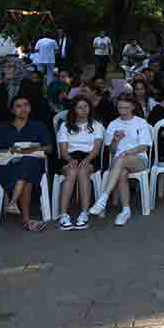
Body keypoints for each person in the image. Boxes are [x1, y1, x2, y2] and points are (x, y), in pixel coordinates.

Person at [0, 95, 54, 232]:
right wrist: (10, 149)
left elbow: (49, 148)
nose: (23, 109)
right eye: (18, 106)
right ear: (12, 110)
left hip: (33, 163)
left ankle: (15, 204)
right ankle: (25, 218)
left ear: (30, 108)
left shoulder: (38, 126)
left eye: (26, 105)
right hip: (9, 165)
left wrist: (34, 148)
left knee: (28, 163)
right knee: (26, 172)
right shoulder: (3, 128)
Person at [91, 94, 153, 225]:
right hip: (119, 161)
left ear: (133, 107)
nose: (123, 111)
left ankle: (104, 197)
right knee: (122, 172)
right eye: (120, 108)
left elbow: (144, 147)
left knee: (121, 159)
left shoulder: (140, 122)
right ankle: (125, 210)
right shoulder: (113, 124)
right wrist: (115, 140)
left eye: (126, 108)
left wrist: (128, 152)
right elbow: (112, 150)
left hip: (138, 159)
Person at [56, 96, 104, 230]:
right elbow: (63, 150)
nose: (83, 110)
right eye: (79, 107)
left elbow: (96, 148)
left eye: (86, 107)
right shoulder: (65, 126)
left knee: (83, 172)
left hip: (90, 156)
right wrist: (70, 160)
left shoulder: (96, 125)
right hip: (70, 156)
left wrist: (87, 160)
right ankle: (63, 214)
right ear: (74, 110)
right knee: (71, 173)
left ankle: (84, 213)